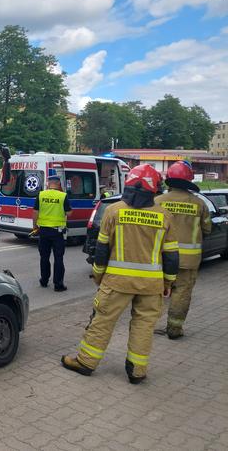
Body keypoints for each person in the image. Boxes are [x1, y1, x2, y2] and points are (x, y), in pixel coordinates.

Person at [61, 164, 179, 384]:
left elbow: (102, 248)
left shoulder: (114, 211)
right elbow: (171, 255)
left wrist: (98, 274)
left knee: (102, 321)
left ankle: (86, 362)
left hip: (116, 283)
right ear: (155, 189)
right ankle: (137, 371)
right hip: (151, 286)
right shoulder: (164, 216)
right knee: (144, 326)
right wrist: (169, 282)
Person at [155, 161, 211, 339]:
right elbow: (207, 229)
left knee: (155, 290)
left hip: (160, 258)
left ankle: (145, 325)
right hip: (188, 261)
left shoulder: (157, 201)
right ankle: (174, 328)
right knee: (181, 293)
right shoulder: (199, 203)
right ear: (189, 181)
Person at [33, 175, 72, 291]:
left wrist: (35, 227)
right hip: (57, 232)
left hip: (43, 231)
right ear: (59, 184)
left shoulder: (41, 195)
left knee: (44, 257)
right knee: (58, 258)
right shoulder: (63, 196)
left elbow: (35, 212)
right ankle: (58, 285)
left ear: (48, 184)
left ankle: (44, 280)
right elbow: (69, 213)